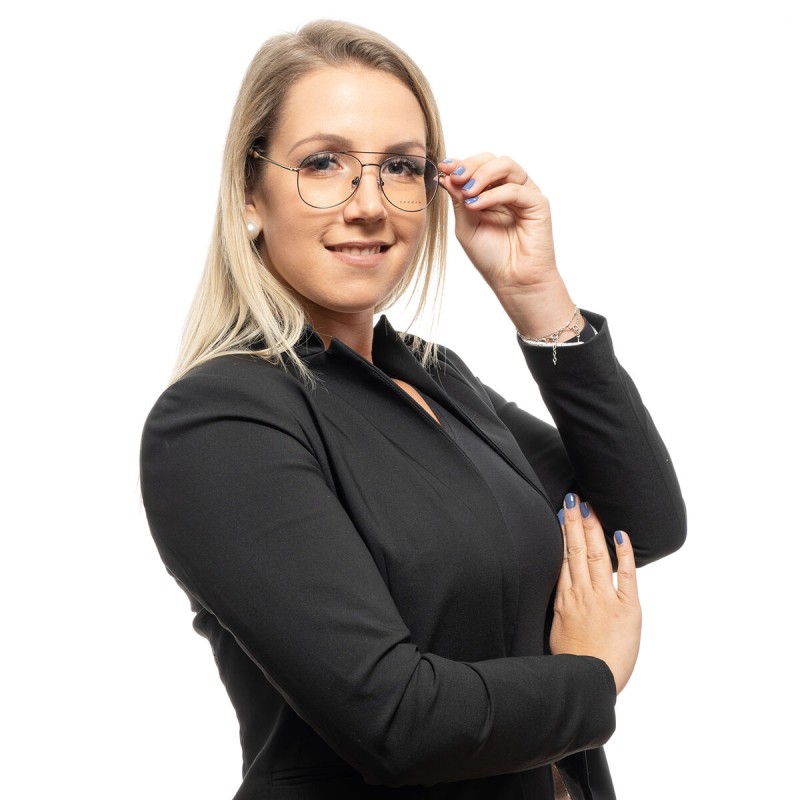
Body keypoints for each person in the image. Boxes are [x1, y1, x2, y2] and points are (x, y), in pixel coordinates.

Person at [140, 19, 686, 800]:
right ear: (249, 195)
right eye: (323, 163)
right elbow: (396, 722)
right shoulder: (218, 423)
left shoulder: (435, 378)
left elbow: (641, 525)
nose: (369, 205)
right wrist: (590, 672)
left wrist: (536, 296)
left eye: (400, 166)